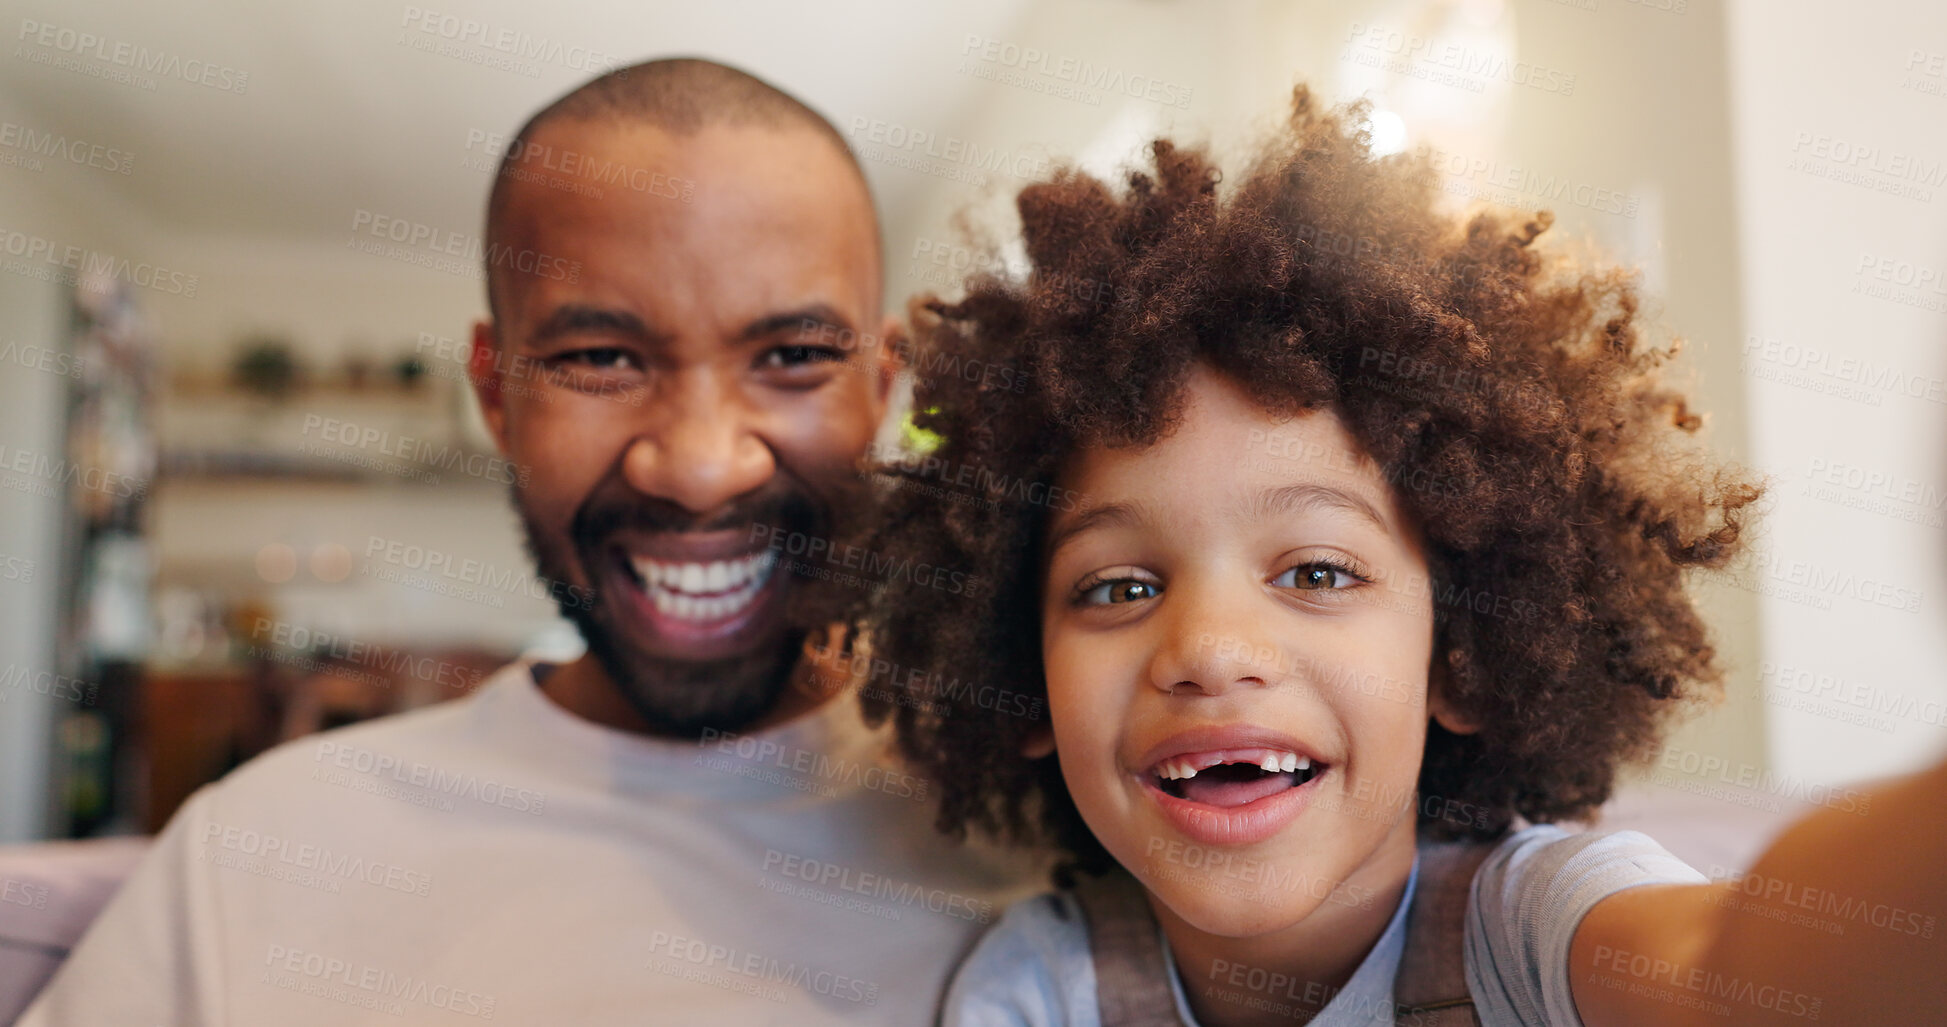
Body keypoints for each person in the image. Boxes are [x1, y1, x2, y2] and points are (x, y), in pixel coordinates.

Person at [856, 86, 1947, 1025]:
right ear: (1021, 679)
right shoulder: (1045, 986)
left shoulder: (1532, 919)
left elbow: (1719, 971)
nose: (1211, 647)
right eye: (1120, 586)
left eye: (1319, 572)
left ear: (1462, 655)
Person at [21, 58, 1044, 1026]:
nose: (697, 466)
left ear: (881, 387)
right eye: (601, 356)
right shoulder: (253, 858)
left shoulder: (1055, 845)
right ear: (495, 393)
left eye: (792, 355)